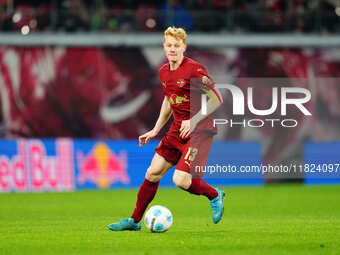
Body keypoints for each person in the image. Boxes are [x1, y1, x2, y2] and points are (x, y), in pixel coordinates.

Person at [108, 27, 225, 231]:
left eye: (176, 46)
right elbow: (169, 100)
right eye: (169, 45)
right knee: (152, 173)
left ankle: (215, 195)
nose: (172, 49)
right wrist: (155, 130)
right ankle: (134, 221)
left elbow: (216, 98)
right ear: (164, 46)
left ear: (184, 47)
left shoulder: (194, 69)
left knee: (180, 180)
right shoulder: (163, 71)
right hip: (177, 130)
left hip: (199, 131)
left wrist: (194, 120)